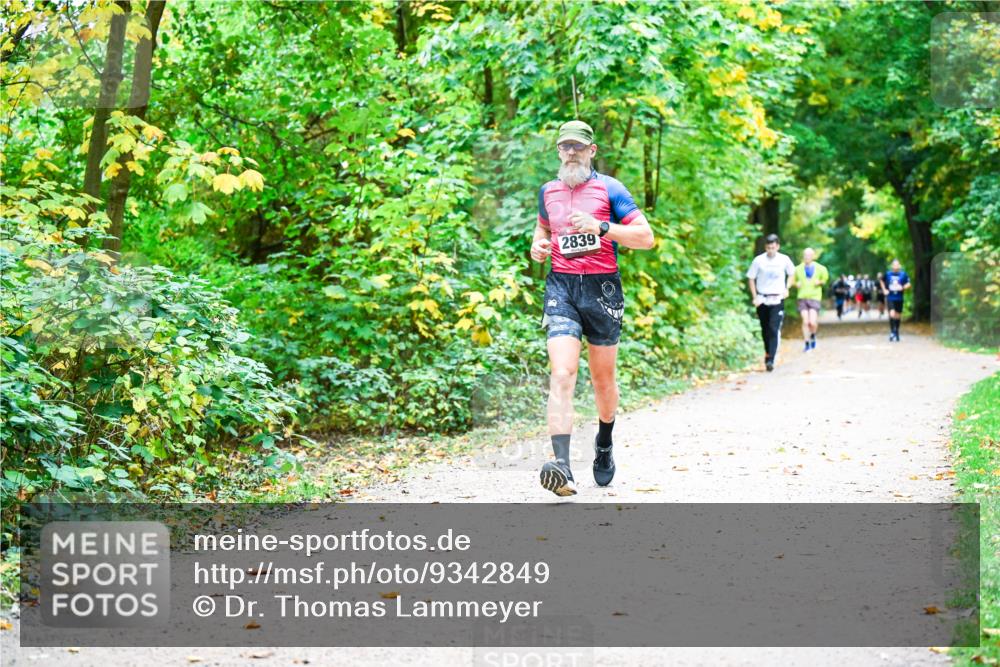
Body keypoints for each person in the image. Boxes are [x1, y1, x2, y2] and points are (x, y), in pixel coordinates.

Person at [530, 120, 655, 496]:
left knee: (603, 381)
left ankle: (604, 442)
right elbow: (542, 232)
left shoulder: (610, 189)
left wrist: (603, 228)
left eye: (578, 147)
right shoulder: (547, 192)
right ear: (558, 151)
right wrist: (537, 246)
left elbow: (646, 238)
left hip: (603, 287)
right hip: (562, 287)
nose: (572, 153)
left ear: (592, 151)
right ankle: (563, 468)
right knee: (563, 374)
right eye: (565, 147)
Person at [746, 234, 794, 372]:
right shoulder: (759, 261)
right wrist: (755, 296)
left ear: (777, 246)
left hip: (777, 298)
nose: (770, 251)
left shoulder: (784, 259)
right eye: (768, 248)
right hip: (762, 298)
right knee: (765, 329)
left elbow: (791, 273)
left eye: (773, 248)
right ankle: (768, 353)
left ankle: (771, 359)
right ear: (765, 247)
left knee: (774, 328)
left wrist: (787, 288)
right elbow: (751, 278)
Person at [788, 248, 828, 351]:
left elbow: (825, 280)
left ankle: (813, 335)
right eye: (805, 255)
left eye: (809, 255)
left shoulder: (821, 268)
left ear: (813, 256)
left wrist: (819, 282)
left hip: (814, 297)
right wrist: (796, 284)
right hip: (802, 297)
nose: (807, 257)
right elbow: (792, 281)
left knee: (812, 322)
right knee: (805, 321)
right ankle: (806, 343)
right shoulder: (797, 269)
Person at [879, 259, 910, 341]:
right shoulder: (888, 274)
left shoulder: (903, 274)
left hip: (899, 298)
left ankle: (896, 332)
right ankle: (892, 331)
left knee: (898, 316)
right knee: (892, 314)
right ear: (892, 266)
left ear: (899, 265)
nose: (896, 266)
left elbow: (908, 283)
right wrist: (884, 290)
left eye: (897, 264)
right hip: (890, 297)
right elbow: (881, 280)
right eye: (894, 264)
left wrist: (903, 287)